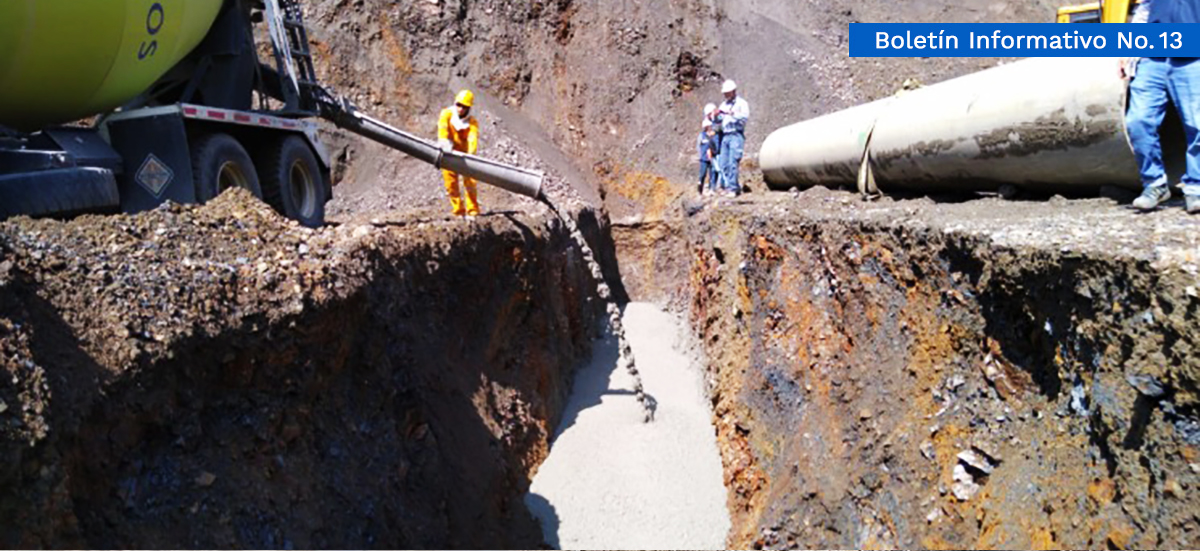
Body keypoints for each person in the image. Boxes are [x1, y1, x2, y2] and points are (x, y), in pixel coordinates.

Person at [1124, 0, 1200, 213]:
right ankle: (1154, 184)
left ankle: (1196, 188)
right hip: (1153, 57)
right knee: (1137, 121)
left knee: (1197, 125)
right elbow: (1144, 10)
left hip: (1193, 58)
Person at [437, 89, 481, 216]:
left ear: (469, 108)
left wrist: (471, 154)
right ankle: (458, 210)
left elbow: (473, 139)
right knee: (450, 184)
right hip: (449, 152)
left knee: (470, 183)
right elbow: (442, 130)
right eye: (459, 105)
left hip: (465, 155)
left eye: (464, 107)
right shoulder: (446, 114)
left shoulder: (472, 122)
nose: (460, 109)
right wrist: (444, 145)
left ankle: (473, 210)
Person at [715, 79, 750, 197]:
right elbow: (719, 120)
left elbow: (744, 117)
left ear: (733, 91)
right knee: (723, 163)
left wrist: (731, 114)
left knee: (733, 162)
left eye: (727, 92)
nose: (725, 95)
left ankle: (733, 188)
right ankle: (728, 185)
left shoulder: (741, 104)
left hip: (736, 134)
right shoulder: (723, 105)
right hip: (725, 136)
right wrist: (715, 116)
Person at [697, 119, 720, 195]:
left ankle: (712, 188)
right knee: (702, 173)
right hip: (703, 158)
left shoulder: (713, 136)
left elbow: (715, 146)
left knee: (712, 173)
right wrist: (700, 155)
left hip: (711, 158)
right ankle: (700, 188)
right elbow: (698, 146)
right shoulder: (702, 135)